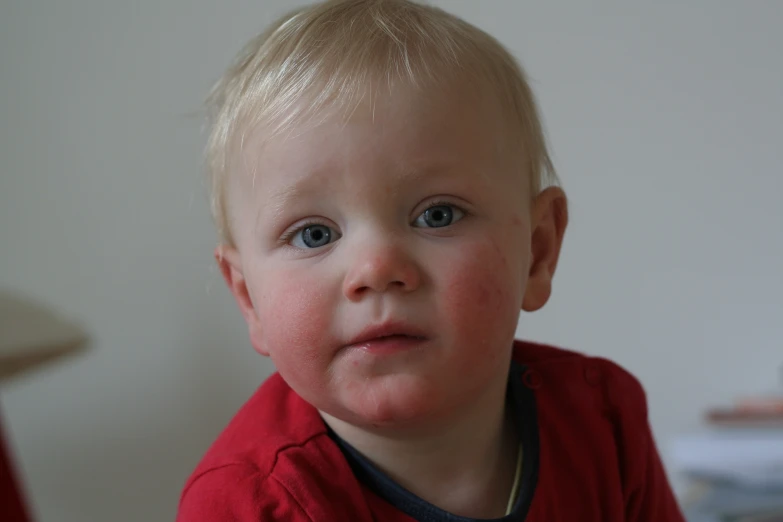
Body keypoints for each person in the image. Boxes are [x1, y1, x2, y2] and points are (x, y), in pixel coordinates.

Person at [177, 0, 685, 520]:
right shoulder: (247, 504)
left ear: (537, 251)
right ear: (248, 299)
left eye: (437, 215)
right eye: (313, 234)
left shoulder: (603, 422)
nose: (376, 269)